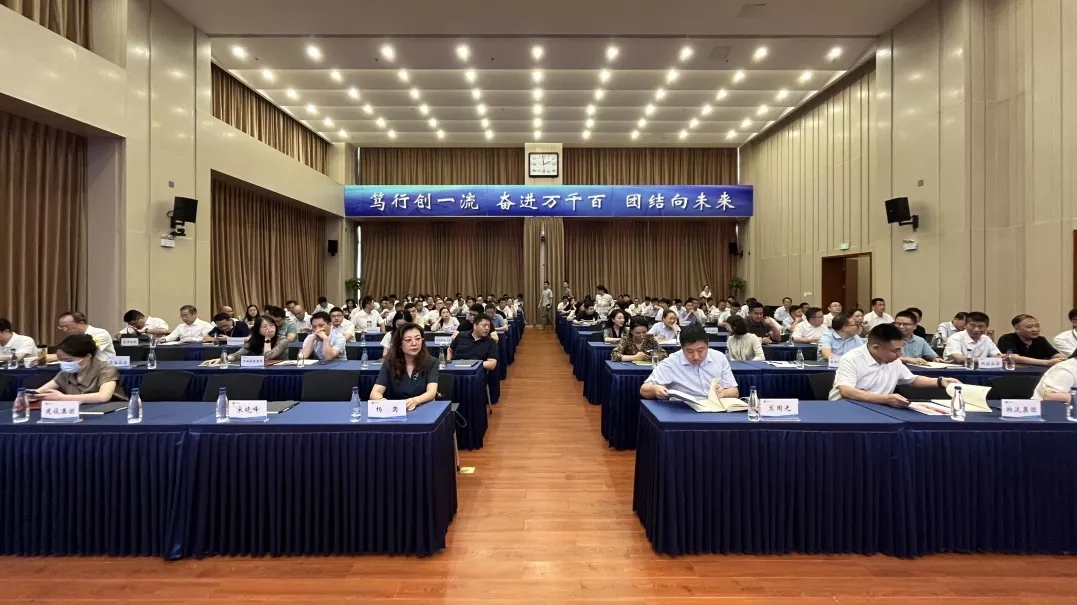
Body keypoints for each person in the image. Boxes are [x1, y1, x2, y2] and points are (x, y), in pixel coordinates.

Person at [830, 324, 961, 405]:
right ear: (876, 348)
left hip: (880, 407)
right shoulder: (851, 359)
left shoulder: (894, 360)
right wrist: (886, 399)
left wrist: (940, 381)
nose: (900, 354)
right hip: (847, 407)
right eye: (895, 350)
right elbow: (846, 391)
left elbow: (911, 380)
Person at [640, 324, 739, 400]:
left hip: (714, 409)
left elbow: (734, 392)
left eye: (700, 350)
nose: (696, 357)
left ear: (707, 344)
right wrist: (655, 389)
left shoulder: (719, 357)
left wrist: (723, 393)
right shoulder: (671, 362)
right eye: (689, 351)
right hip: (682, 412)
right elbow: (644, 390)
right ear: (682, 348)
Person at [29, 334, 126, 403]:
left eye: (68, 360)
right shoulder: (66, 372)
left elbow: (103, 397)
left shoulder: (106, 370)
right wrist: (30, 396)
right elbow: (40, 391)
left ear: (87, 357)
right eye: (60, 360)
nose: (64, 364)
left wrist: (62, 398)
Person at [369, 323, 439, 410]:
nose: (414, 343)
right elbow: (375, 393)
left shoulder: (431, 362)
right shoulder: (390, 362)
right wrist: (383, 402)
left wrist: (416, 401)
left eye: (418, 339)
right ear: (399, 344)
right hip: (396, 410)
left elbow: (432, 392)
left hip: (423, 408)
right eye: (408, 340)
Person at [204, 316, 290, 365]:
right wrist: (221, 359)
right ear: (258, 330)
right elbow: (238, 355)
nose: (269, 329)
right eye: (264, 326)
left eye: (272, 325)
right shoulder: (254, 340)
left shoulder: (282, 340)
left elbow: (267, 357)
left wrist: (267, 338)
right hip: (260, 369)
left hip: (279, 371)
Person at [997, 314, 1065, 366]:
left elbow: (1055, 355)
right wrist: (1047, 362)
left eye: (1037, 326)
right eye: (1029, 327)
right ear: (1017, 329)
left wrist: (1064, 359)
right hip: (1014, 374)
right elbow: (1013, 358)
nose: (1035, 329)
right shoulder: (1007, 338)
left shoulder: (1041, 340)